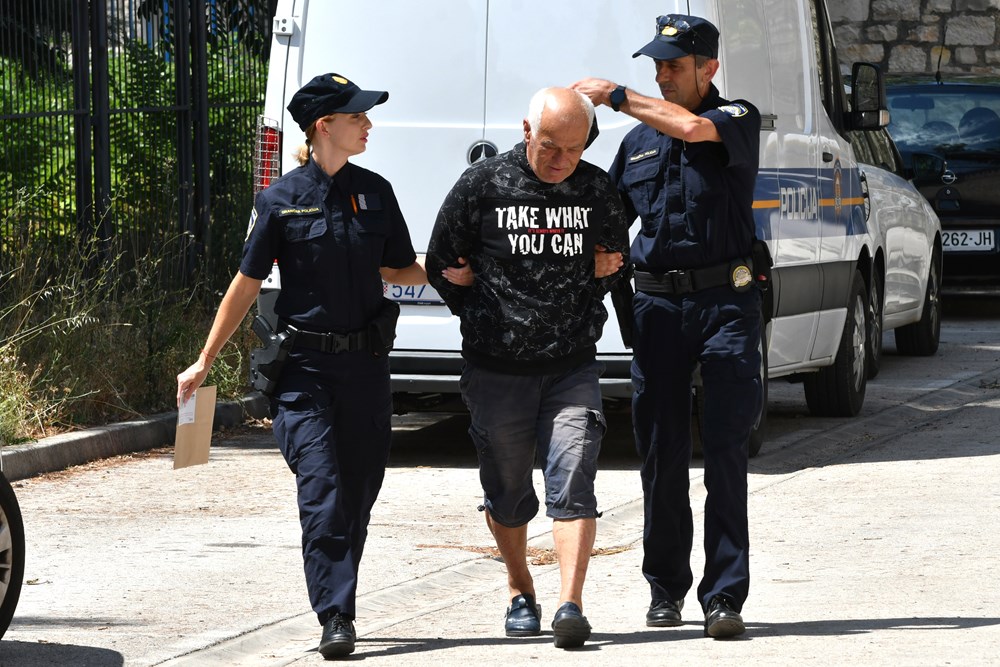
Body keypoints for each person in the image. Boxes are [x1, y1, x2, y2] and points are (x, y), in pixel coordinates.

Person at [175, 72, 468, 660]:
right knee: (323, 490)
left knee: (358, 493)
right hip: (303, 371)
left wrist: (453, 271)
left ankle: (337, 593)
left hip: (365, 367)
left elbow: (398, 268)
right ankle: (336, 614)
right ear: (324, 126)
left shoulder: (376, 191)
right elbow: (246, 282)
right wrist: (204, 360)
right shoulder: (279, 200)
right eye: (357, 116)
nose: (368, 125)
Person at [573, 14, 763, 639]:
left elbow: (690, 127)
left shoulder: (735, 118)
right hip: (657, 308)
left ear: (709, 68)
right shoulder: (637, 144)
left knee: (726, 450)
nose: (662, 76)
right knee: (660, 451)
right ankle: (665, 588)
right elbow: (605, 223)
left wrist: (616, 96)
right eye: (656, 66)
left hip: (725, 303)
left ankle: (724, 595)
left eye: (674, 66)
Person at [426, 87, 629, 649]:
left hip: (571, 366)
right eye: (550, 146)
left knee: (574, 478)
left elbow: (615, 262)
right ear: (526, 131)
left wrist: (596, 276)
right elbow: (442, 260)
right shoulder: (482, 184)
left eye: (574, 149)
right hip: (497, 369)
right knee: (508, 491)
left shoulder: (596, 188)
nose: (562, 160)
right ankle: (521, 588)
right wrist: (478, 304)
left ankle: (570, 604)